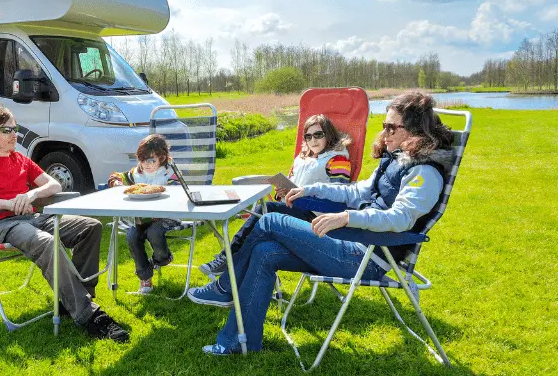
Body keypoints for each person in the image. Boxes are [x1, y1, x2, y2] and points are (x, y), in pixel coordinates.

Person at [187, 91, 454, 355]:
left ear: (415, 130)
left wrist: (346, 217)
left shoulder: (425, 171)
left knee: (269, 220)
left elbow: (400, 218)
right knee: (263, 252)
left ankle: (224, 287)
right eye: (384, 126)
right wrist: (311, 191)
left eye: (391, 127)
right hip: (351, 241)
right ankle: (239, 342)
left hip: (367, 257)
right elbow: (357, 192)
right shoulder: (395, 160)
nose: (384, 133)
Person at [0, 101, 129, 342]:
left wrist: (31, 194)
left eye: (15, 128)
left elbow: (54, 184)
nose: (13, 134)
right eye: (6, 130)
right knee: (47, 243)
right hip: (1, 224)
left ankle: (76, 300)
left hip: (33, 216)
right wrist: (8, 203)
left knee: (90, 227)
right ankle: (90, 316)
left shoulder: (21, 160)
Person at [199, 114, 352, 278]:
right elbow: (291, 184)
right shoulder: (301, 159)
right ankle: (232, 266)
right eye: (308, 136)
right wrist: (282, 193)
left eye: (318, 135)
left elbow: (339, 196)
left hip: (316, 218)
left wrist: (303, 196)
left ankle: (227, 257)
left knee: (266, 209)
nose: (313, 140)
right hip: (294, 209)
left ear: (328, 134)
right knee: (262, 224)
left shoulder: (337, 159)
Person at [107, 134, 179, 294]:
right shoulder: (136, 173)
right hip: (142, 219)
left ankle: (162, 258)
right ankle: (145, 279)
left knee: (154, 232)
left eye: (152, 160)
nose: (147, 164)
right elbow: (118, 176)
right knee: (132, 235)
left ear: (162, 157)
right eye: (143, 159)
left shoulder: (169, 173)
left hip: (166, 217)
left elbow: (179, 192)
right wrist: (117, 183)